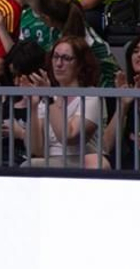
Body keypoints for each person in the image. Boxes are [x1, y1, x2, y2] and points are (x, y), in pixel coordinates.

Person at [14, 36, 107, 169]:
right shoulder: (49, 97)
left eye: (66, 58)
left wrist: (49, 99)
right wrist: (34, 106)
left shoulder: (91, 96)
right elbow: (36, 150)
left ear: (80, 64)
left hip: (82, 163)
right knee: (27, 166)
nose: (58, 63)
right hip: (51, 163)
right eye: (55, 57)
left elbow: (69, 137)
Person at [101, 34, 140, 171]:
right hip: (130, 164)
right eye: (135, 51)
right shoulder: (127, 93)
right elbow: (105, 145)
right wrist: (123, 104)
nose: (139, 55)